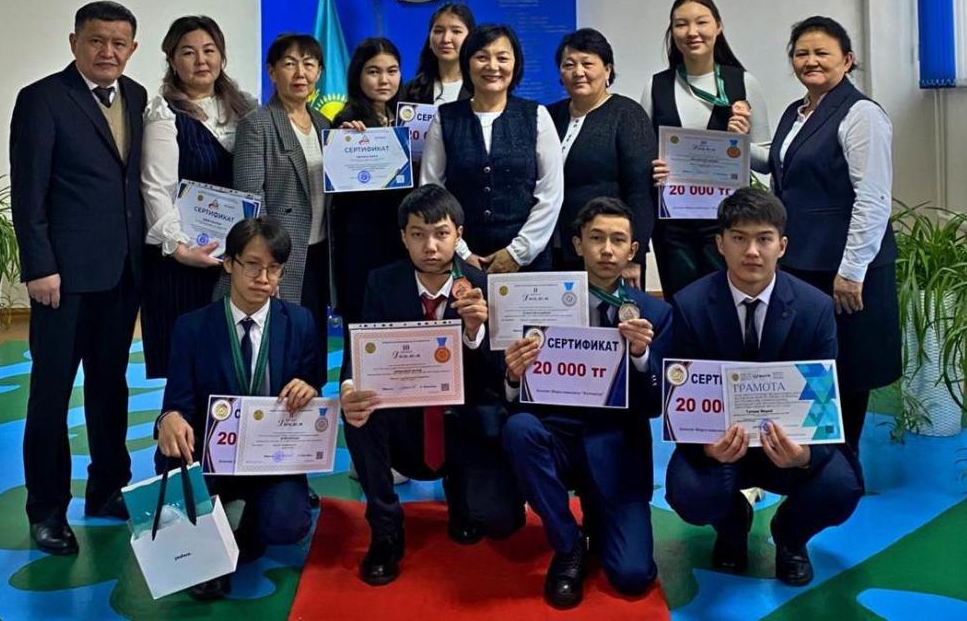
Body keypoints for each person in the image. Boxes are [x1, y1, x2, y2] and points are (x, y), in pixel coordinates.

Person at [663, 187, 864, 587]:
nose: (752, 251)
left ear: (782, 246)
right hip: (721, 445)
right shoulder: (689, 305)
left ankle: (790, 538)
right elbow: (681, 399)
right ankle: (732, 524)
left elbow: (826, 400)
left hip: (789, 444)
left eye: (764, 239)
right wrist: (706, 448)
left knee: (842, 487)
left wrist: (805, 455)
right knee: (688, 492)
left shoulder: (815, 307)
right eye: (739, 238)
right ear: (720, 243)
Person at [9, 0, 147, 555]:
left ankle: (108, 487)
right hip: (61, 279)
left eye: (118, 43)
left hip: (121, 273)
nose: (107, 51)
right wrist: (39, 266)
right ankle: (46, 510)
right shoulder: (42, 99)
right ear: (74, 43)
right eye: (96, 40)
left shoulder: (137, 97)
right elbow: (29, 192)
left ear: (132, 48)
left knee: (111, 387)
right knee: (51, 394)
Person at [340, 184, 525, 586]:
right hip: (405, 420)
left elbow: (500, 378)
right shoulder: (381, 283)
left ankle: (462, 494)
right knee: (357, 412)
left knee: (499, 521)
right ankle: (386, 528)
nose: (430, 246)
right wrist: (349, 388)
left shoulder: (482, 285)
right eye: (418, 234)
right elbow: (359, 351)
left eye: (441, 233)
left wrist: (474, 333)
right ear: (403, 237)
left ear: (459, 234)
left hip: (465, 423)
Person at [501, 197, 672, 609]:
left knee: (632, 577)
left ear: (633, 250)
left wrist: (640, 357)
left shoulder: (655, 314)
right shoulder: (540, 300)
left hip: (618, 448)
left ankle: (602, 513)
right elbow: (513, 398)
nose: (607, 250)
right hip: (557, 438)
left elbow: (655, 406)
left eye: (618, 240)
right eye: (596, 238)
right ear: (578, 244)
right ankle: (568, 544)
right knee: (519, 429)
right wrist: (513, 376)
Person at [155, 216, 321, 600]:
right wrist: (169, 418)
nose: (263, 278)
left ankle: (237, 524)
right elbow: (176, 402)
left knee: (288, 525)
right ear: (229, 263)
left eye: (274, 269)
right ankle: (217, 540)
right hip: (209, 455)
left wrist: (309, 388)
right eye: (252, 265)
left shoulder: (299, 322)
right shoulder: (192, 327)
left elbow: (313, 382)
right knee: (174, 466)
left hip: (271, 458)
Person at [769, 16, 901, 451]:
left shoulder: (862, 114)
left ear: (847, 60)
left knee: (848, 372)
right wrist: (724, 150)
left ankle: (843, 465)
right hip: (802, 264)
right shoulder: (798, 111)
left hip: (844, 271)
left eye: (821, 53)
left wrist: (852, 270)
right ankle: (811, 460)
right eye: (801, 53)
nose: (810, 61)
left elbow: (873, 198)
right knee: (813, 369)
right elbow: (784, 162)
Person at [140, 15, 257, 379]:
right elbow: (156, 188)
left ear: (222, 55)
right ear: (172, 60)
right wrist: (179, 248)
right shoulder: (164, 113)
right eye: (188, 52)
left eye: (209, 50)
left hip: (238, 257)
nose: (201, 60)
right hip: (184, 262)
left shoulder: (246, 109)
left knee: (238, 361)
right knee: (187, 366)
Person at [642, 0, 771, 297]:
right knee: (682, 303)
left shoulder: (743, 83)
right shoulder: (656, 86)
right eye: (681, 24)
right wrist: (652, 169)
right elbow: (643, 157)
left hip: (729, 223)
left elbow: (767, 161)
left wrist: (740, 144)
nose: (692, 32)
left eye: (701, 22)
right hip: (673, 225)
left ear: (718, 26)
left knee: (728, 304)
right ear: (672, 32)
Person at [420, 23, 563, 273]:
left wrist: (517, 253)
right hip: (460, 257)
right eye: (482, 57)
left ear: (515, 64)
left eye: (502, 58)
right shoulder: (445, 118)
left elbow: (551, 194)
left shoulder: (537, 115)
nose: (493, 66)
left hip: (529, 260)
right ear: (467, 63)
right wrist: (462, 252)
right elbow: (432, 190)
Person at [233, 33, 332, 343]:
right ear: (272, 72)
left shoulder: (324, 124)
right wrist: (265, 263)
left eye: (309, 64)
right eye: (289, 64)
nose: (300, 73)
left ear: (319, 73)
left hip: (321, 251)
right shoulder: (257, 124)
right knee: (283, 343)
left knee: (315, 341)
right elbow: (251, 199)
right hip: (281, 253)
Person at [547, 28, 656, 285]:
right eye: (569, 65)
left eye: (587, 64)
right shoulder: (549, 115)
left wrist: (634, 255)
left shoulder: (627, 114)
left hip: (608, 251)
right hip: (555, 247)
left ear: (607, 70)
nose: (578, 72)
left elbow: (640, 190)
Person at [330, 37, 410, 324]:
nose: (384, 80)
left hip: (401, 237)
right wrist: (345, 143)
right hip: (363, 241)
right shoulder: (346, 121)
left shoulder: (406, 117)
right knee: (364, 319)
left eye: (392, 71)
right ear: (358, 75)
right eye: (374, 71)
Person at [404, 3, 476, 104]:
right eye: (438, 31)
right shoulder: (411, 90)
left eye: (456, 31)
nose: (445, 39)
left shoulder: (480, 88)